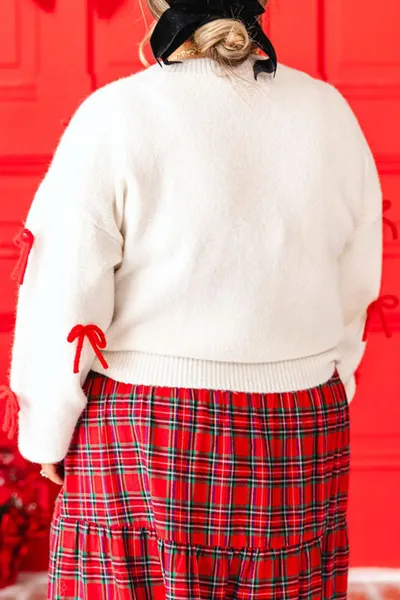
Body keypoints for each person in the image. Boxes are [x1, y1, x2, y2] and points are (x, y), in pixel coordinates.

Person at [6, 0, 382, 598]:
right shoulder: (328, 113)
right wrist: (330, 376)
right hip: (299, 428)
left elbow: (65, 290)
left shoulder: (115, 115)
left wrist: (47, 430)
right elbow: (356, 284)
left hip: (144, 434)